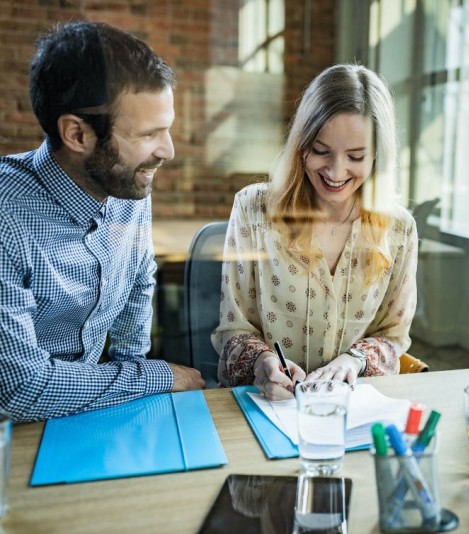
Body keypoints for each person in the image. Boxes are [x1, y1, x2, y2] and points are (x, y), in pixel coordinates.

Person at [0, 21, 205, 423]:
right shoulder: (7, 218)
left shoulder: (125, 183)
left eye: (167, 130)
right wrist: (151, 376)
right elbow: (18, 389)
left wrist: (129, 370)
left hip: (88, 421)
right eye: (149, 134)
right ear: (77, 134)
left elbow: (140, 277)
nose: (168, 150)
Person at [212, 64, 418, 400]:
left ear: (377, 156)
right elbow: (233, 327)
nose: (336, 171)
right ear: (301, 145)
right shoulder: (254, 209)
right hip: (266, 404)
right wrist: (262, 361)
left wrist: (355, 361)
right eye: (321, 151)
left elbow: (393, 337)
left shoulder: (399, 229)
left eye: (356, 156)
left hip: (350, 409)